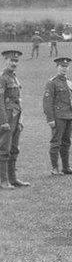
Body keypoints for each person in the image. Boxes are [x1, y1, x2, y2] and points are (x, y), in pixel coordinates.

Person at [43, 56, 72, 176]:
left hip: (69, 116)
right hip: (58, 117)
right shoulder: (52, 82)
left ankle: (66, 167)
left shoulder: (68, 82)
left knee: (67, 142)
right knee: (56, 142)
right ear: (57, 67)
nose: (64, 69)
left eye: (66, 66)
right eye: (61, 66)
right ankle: (55, 168)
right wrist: (50, 119)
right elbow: (47, 102)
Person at [0, 49, 28, 189]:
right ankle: (3, 181)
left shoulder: (15, 77)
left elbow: (18, 100)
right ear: (5, 60)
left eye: (16, 61)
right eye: (11, 60)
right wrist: (3, 121)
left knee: (14, 148)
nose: (14, 63)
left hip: (16, 117)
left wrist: (21, 120)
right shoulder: (2, 78)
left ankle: (13, 178)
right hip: (6, 118)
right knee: (4, 149)